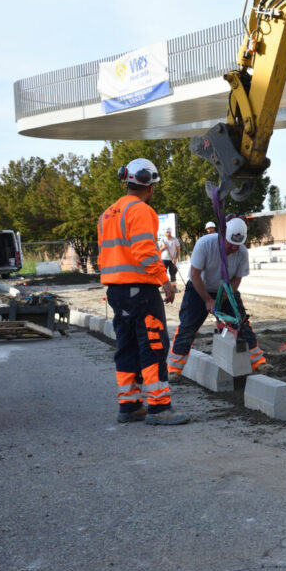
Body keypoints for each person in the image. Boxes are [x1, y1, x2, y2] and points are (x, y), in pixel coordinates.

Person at [97, 158, 188, 426]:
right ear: (149, 185)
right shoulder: (141, 210)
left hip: (116, 290)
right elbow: (144, 252)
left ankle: (129, 405)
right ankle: (159, 408)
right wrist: (165, 281)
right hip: (140, 290)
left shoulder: (107, 214)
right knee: (153, 345)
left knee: (126, 347)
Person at [165, 217, 267, 377]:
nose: (233, 248)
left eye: (237, 245)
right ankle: (173, 368)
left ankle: (258, 361)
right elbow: (196, 275)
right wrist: (207, 300)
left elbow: (237, 280)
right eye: (230, 244)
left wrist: (222, 300)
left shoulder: (241, 252)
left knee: (242, 323)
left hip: (226, 290)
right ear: (223, 236)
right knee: (188, 327)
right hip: (199, 289)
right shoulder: (205, 244)